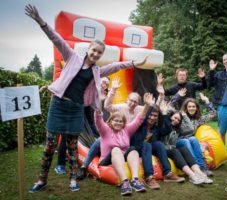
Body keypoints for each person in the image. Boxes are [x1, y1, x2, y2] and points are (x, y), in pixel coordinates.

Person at [25, 4, 147, 193]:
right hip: (58, 105)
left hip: (76, 109)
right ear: (89, 49)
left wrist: (132, 62)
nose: (96, 54)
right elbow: (56, 39)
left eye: (99, 52)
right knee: (49, 146)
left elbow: (116, 66)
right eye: (94, 50)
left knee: (73, 147)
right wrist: (41, 21)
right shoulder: (72, 57)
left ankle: (73, 180)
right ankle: (42, 180)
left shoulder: (98, 71)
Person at [77, 78, 142, 180]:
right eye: (131, 100)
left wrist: (159, 97)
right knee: (100, 141)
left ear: (138, 103)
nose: (133, 103)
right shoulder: (122, 107)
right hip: (114, 135)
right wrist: (113, 90)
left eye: (136, 102)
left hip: (126, 136)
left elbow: (148, 110)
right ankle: (84, 166)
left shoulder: (139, 109)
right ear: (127, 100)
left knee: (132, 148)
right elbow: (107, 106)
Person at [95, 93, 154, 196]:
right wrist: (99, 102)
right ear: (110, 121)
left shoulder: (126, 130)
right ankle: (125, 182)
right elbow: (98, 118)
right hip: (106, 160)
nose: (118, 123)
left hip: (122, 158)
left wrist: (146, 105)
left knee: (133, 150)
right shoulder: (105, 130)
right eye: (116, 121)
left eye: (121, 121)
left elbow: (139, 119)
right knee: (116, 149)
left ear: (124, 123)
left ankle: (135, 180)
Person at [130, 104, 185, 190]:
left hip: (148, 149)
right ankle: (149, 176)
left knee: (159, 144)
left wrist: (164, 114)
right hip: (136, 148)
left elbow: (167, 129)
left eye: (155, 116)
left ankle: (167, 173)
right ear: (147, 115)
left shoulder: (156, 128)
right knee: (147, 144)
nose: (152, 117)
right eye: (150, 115)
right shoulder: (140, 124)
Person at [159, 100, 213, 185]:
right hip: (163, 148)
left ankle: (200, 172)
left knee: (184, 148)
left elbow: (191, 129)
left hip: (172, 148)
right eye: (174, 118)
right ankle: (192, 175)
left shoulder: (178, 130)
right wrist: (165, 112)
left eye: (178, 120)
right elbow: (164, 124)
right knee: (178, 148)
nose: (176, 120)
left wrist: (184, 116)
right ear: (170, 117)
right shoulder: (165, 124)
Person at [177, 94, 216, 177]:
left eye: (193, 106)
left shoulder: (198, 119)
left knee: (193, 139)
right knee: (188, 140)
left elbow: (213, 114)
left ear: (197, 108)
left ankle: (202, 168)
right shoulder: (180, 116)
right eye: (189, 106)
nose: (191, 108)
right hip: (179, 140)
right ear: (186, 108)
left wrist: (207, 101)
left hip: (191, 139)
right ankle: (196, 168)